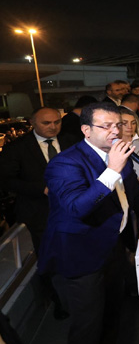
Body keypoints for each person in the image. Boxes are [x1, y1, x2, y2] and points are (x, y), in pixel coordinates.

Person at [37, 102, 139, 344]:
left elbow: (134, 191)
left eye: (117, 125)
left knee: (113, 312)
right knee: (88, 325)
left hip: (113, 246)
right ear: (86, 130)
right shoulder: (64, 164)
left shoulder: (115, 152)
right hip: (82, 255)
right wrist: (112, 169)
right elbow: (77, 208)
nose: (115, 131)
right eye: (106, 126)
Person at [0, 107, 77, 253]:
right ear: (33, 123)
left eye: (57, 122)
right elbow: (6, 180)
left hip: (74, 208)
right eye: (46, 123)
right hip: (40, 213)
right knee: (49, 255)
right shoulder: (17, 148)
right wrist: (42, 189)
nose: (53, 127)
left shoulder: (72, 141)